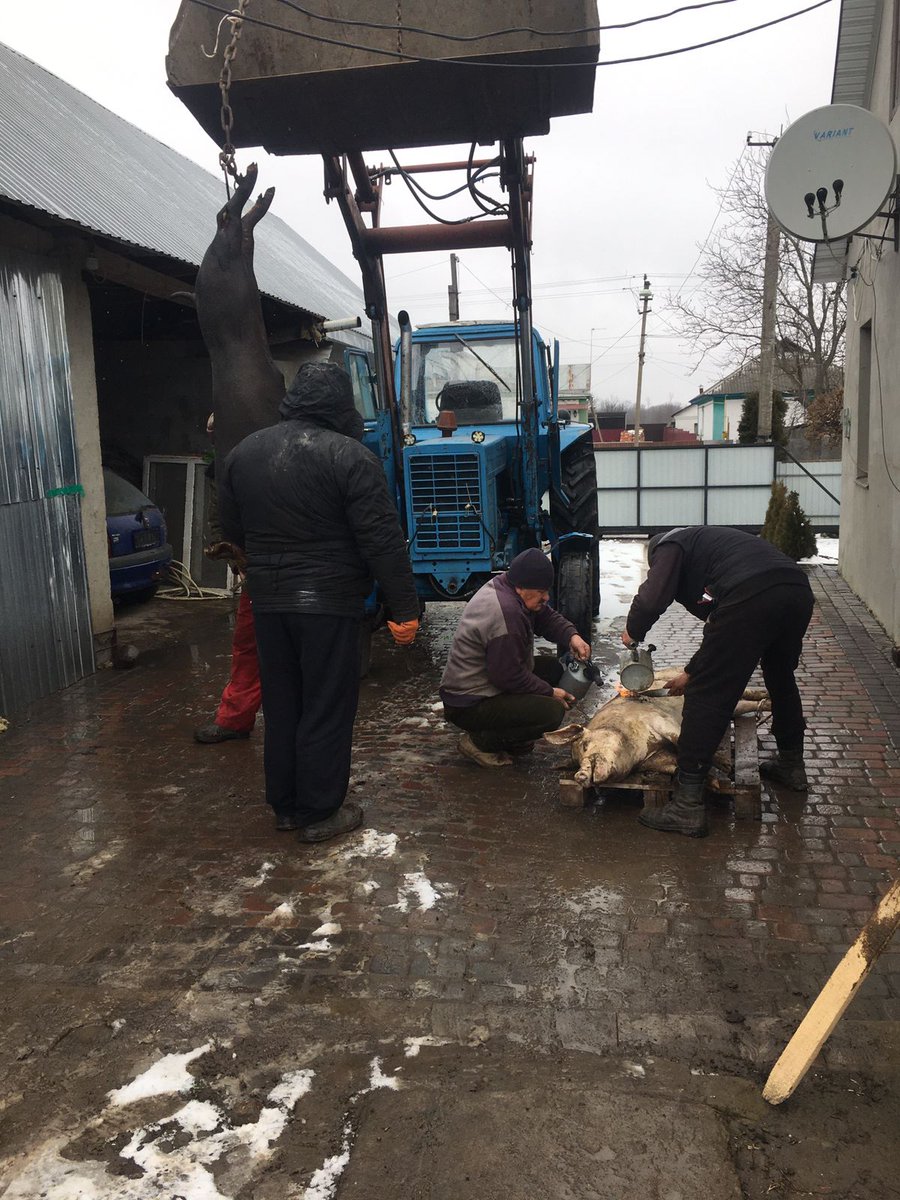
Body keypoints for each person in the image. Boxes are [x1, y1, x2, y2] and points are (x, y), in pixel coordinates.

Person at [218, 362, 419, 841]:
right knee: (326, 704)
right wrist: (405, 609)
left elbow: (233, 530)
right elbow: (381, 540)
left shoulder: (244, 454)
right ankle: (321, 810)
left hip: (268, 603)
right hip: (328, 604)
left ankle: (286, 806)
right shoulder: (350, 457)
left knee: (284, 703)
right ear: (340, 404)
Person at [622, 525, 814, 838]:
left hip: (754, 591)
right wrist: (693, 669)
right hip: (796, 591)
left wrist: (632, 631)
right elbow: (721, 626)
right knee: (781, 676)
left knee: (708, 695)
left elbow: (652, 599)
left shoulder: (669, 545)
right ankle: (792, 764)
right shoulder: (713, 551)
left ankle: (686, 805)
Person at [440, 548, 592, 767]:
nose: (547, 597)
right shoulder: (507, 613)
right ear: (522, 587)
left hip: (489, 681)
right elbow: (508, 676)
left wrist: (572, 636)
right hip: (469, 703)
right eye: (542, 591)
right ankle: (480, 741)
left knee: (554, 669)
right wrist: (550, 692)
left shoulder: (509, 586)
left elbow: (545, 617)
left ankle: (512, 734)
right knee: (551, 711)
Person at [194, 413, 263, 745]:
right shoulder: (221, 470)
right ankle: (236, 718)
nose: (214, 443)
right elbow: (220, 519)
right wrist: (233, 555)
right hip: (257, 571)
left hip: (291, 570)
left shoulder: (267, 460)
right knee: (249, 645)